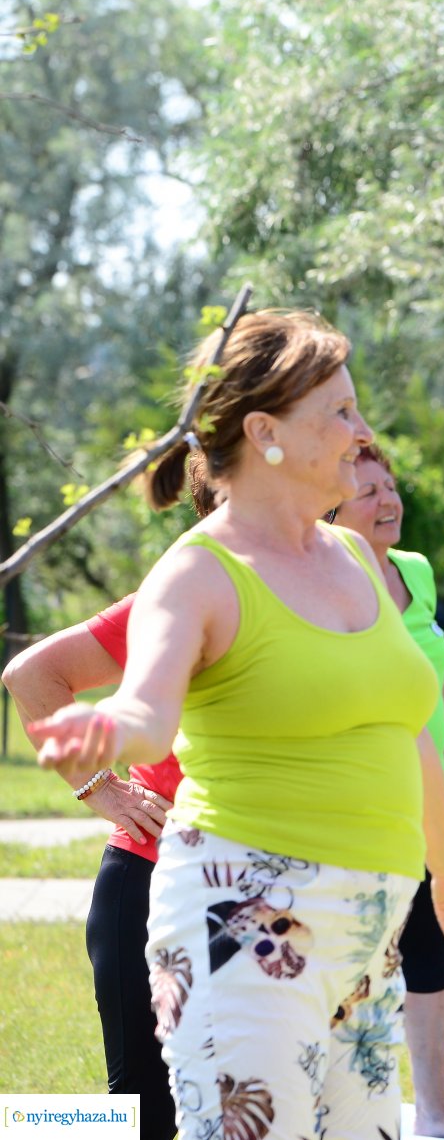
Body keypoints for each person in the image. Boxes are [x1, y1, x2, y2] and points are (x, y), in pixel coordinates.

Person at [30, 309, 444, 1140]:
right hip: (239, 918)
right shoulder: (200, 573)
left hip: (367, 928)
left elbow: (399, 730)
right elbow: (146, 708)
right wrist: (101, 744)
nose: (363, 432)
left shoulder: (353, 560)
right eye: (342, 412)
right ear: (265, 432)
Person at [3, 462, 218, 1140]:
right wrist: (100, 787)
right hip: (148, 883)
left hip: (255, 889)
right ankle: (28, 1127)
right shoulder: (178, 598)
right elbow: (31, 676)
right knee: (140, 1116)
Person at [331, 444, 444, 1140]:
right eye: (367, 491)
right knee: (355, 958)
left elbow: (431, 665)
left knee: (430, 948)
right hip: (357, 798)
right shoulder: (326, 578)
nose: (388, 500)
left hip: (423, 792)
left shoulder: (417, 572)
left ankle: (434, 1112)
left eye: (390, 485)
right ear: (330, 505)